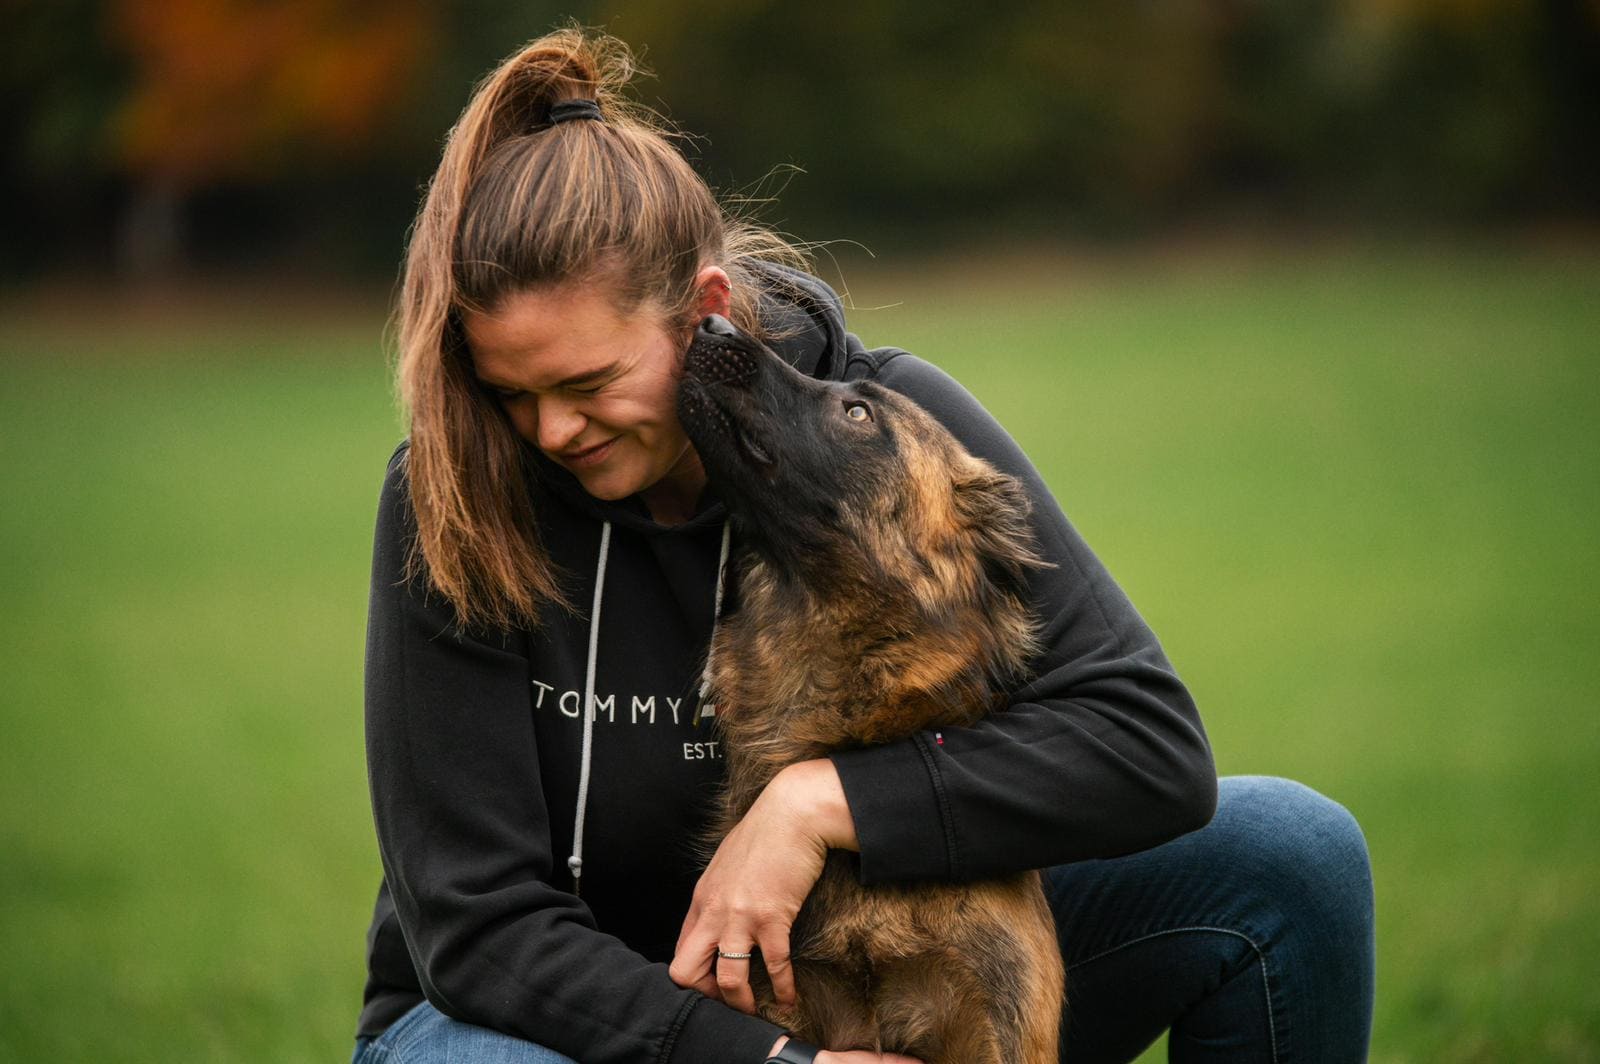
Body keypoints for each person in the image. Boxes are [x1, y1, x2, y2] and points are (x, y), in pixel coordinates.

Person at [352, 27, 1375, 1064]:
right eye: (509, 392)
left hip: (869, 976)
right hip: (548, 1023)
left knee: (1290, 854)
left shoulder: (887, 434)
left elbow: (1148, 745)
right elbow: (477, 930)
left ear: (703, 311)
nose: (549, 432)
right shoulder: (453, 501)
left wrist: (815, 802)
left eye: (587, 384)